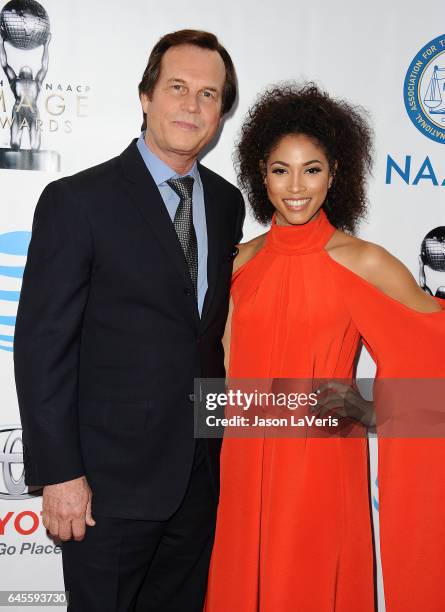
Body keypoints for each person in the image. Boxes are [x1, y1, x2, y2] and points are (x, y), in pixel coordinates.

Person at [14, 29, 244, 612]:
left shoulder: (224, 201)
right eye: (178, 88)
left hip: (197, 476)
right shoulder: (78, 200)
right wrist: (60, 475)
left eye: (209, 95)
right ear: (145, 96)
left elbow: (206, 336)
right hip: (104, 488)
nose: (192, 106)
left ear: (220, 114)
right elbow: (43, 348)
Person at [204, 83, 445, 612]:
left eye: (311, 169)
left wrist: (376, 408)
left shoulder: (364, 262)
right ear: (259, 172)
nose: (296, 186)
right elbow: (220, 372)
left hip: (320, 468)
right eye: (280, 169)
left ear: (334, 174)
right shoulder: (238, 262)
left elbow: (434, 353)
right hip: (243, 465)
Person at [0, 30, 51, 151]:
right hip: (18, 111)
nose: (26, 68)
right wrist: (1, 42)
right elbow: (4, 64)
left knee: (35, 146)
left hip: (32, 112)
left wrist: (46, 45)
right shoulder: (15, 81)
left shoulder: (36, 82)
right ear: (20, 74)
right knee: (14, 144)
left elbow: (45, 67)